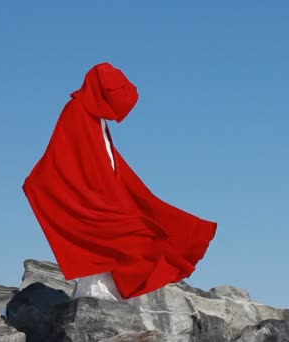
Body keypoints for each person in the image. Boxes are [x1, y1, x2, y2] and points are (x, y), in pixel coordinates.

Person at [22, 62, 217, 301]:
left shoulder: (92, 117)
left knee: (153, 229)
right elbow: (72, 162)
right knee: (130, 238)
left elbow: (105, 162)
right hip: (90, 199)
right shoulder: (78, 112)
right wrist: (106, 199)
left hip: (104, 195)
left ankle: (100, 302)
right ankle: (95, 304)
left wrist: (122, 193)